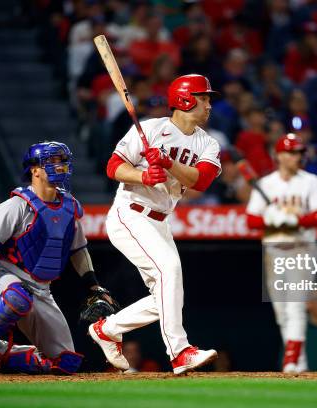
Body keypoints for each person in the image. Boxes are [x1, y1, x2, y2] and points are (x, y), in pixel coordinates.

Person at [90, 74, 221, 374]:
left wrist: (167, 163)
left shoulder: (208, 143)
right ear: (186, 99)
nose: (209, 104)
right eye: (204, 97)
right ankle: (180, 352)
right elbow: (114, 167)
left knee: (166, 292)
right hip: (130, 212)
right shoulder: (151, 128)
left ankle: (107, 328)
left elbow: (201, 180)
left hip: (161, 220)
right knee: (170, 272)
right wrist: (144, 175)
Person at [0, 142, 119, 377]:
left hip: (42, 288)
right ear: (35, 170)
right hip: (4, 273)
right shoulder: (16, 205)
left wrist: (93, 285)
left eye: (62, 161)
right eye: (52, 161)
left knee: (66, 363)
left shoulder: (69, 206)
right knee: (17, 297)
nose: (60, 166)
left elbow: (79, 251)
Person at [245, 133, 317, 373]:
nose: (296, 157)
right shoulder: (267, 184)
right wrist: (271, 219)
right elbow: (251, 219)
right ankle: (298, 364)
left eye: (299, 153)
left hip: (301, 248)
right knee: (281, 312)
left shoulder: (310, 181)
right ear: (279, 155)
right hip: (274, 251)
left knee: (295, 305)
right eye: (292, 152)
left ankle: (290, 361)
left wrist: (296, 220)